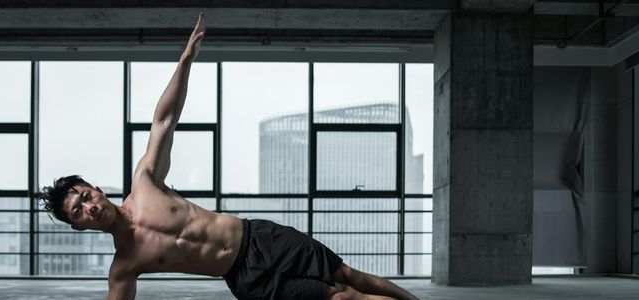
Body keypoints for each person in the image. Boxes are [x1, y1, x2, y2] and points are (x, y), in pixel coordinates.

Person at [40, 12, 418, 300]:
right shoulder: (124, 266)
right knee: (341, 296)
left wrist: (186, 59)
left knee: (349, 276)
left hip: (261, 237)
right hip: (245, 277)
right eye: (78, 212)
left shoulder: (144, 183)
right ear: (79, 228)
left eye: (85, 196)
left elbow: (163, 120)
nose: (88, 207)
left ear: (96, 189)